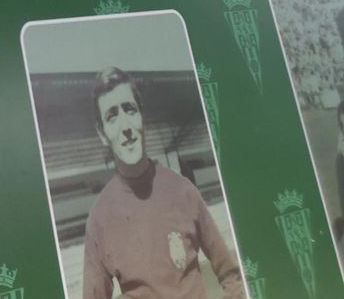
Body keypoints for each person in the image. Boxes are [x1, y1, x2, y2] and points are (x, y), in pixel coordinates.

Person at [81, 68, 245, 299]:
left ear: (142, 116)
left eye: (130, 110)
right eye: (112, 116)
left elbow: (231, 275)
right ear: (102, 133)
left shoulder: (183, 191)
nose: (125, 127)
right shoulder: (100, 218)